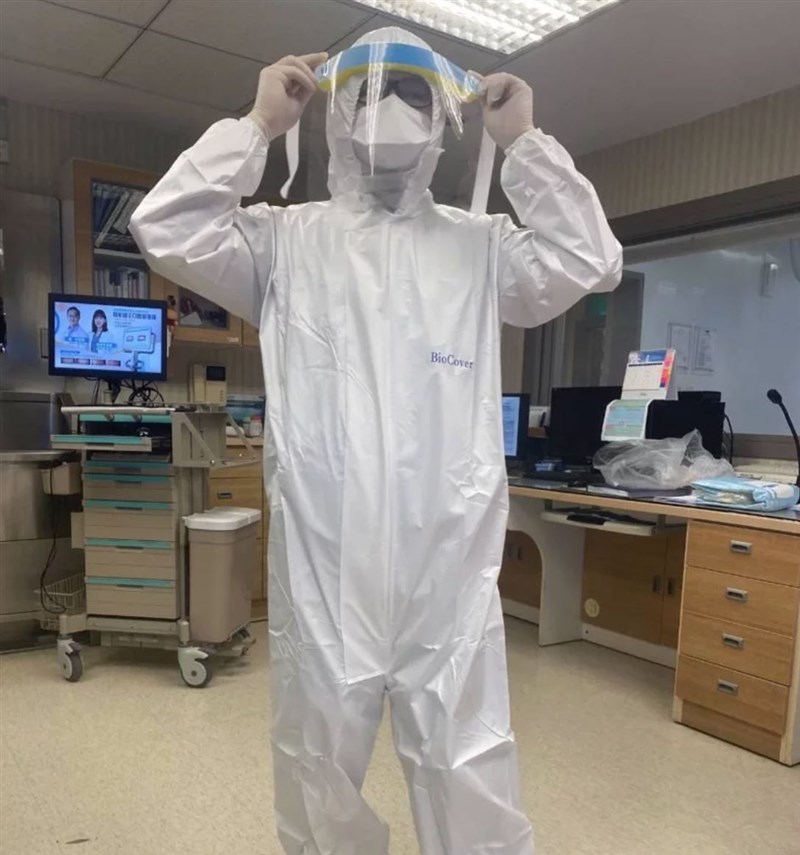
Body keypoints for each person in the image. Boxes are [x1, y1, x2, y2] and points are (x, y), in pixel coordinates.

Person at [130, 26, 621, 855]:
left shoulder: (478, 247)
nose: (390, 107)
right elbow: (166, 226)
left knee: (470, 776)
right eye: (370, 89)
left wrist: (526, 145)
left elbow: (590, 258)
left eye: (414, 92)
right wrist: (257, 126)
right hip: (328, 574)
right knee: (316, 777)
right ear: (337, 111)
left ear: (444, 120)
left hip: (446, 576)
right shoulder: (286, 241)